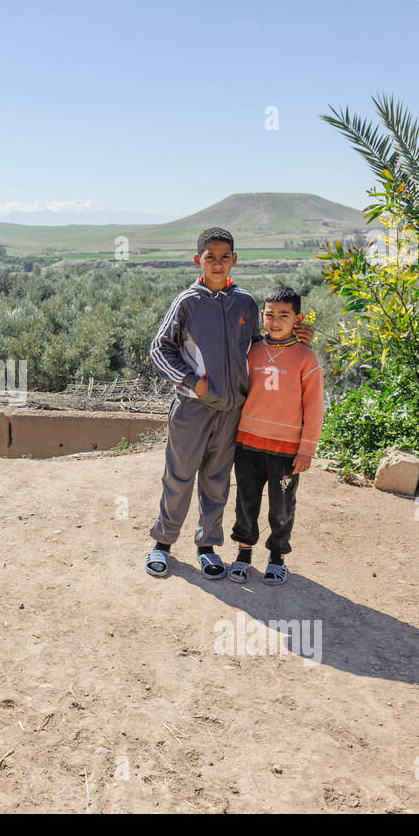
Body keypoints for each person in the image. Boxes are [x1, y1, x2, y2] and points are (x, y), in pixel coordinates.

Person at [144, 227, 312, 579]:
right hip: (192, 409)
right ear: (198, 261)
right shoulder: (187, 303)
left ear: (234, 260)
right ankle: (163, 544)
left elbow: (261, 345)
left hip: (232, 413)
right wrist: (192, 383)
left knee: (217, 481)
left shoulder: (245, 303)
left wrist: (298, 335)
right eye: (210, 258)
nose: (217, 264)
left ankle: (207, 547)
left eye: (224, 257)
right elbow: (160, 349)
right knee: (179, 477)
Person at [227, 285, 324, 586]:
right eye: (270, 315)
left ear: (299, 319)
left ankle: (277, 557)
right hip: (248, 442)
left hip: (286, 449)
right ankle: (243, 554)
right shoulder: (252, 351)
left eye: (284, 315)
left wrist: (306, 449)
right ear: (262, 317)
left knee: (281, 506)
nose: (276, 321)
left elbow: (315, 407)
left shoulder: (306, 359)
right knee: (246, 501)